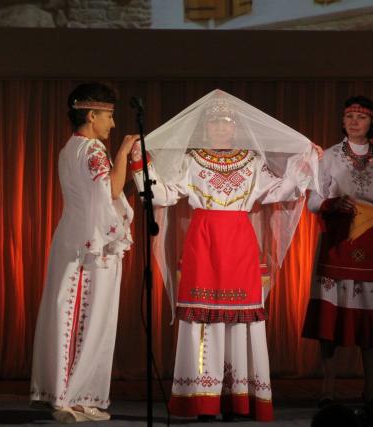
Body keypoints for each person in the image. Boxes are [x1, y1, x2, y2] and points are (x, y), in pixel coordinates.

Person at [130, 89, 320, 422]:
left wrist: (305, 163)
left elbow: (280, 190)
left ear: (236, 128)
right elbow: (163, 194)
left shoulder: (252, 162)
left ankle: (239, 399)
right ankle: (202, 400)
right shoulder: (192, 160)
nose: (221, 128)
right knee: (202, 316)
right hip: (203, 242)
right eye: (215, 123)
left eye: (227, 123)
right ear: (206, 128)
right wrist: (140, 164)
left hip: (239, 243)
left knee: (241, 317)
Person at [30, 83, 138, 423]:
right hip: (90, 243)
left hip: (73, 234)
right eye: (108, 116)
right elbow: (111, 190)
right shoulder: (93, 149)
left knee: (69, 310)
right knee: (85, 315)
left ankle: (67, 393)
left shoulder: (70, 148)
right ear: (91, 115)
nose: (112, 124)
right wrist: (123, 153)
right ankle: (70, 396)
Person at [301, 96, 373, 409]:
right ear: (343, 121)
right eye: (349, 117)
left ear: (372, 122)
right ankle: (328, 389)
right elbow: (313, 200)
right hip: (340, 241)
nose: (354, 122)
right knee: (331, 320)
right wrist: (334, 203)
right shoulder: (328, 157)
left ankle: (370, 391)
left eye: (361, 117)